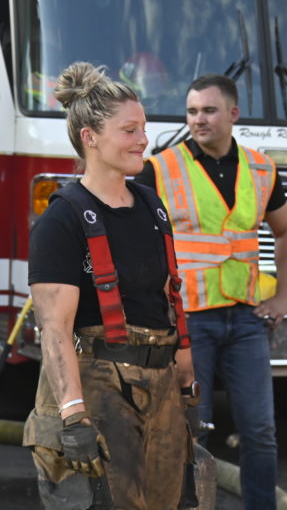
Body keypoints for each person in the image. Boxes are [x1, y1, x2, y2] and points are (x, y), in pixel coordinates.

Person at [24, 62, 195, 509]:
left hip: (160, 384)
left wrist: (185, 378)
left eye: (144, 128)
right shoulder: (62, 219)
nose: (143, 140)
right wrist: (73, 414)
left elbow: (165, 298)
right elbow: (55, 330)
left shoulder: (151, 205)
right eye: (129, 130)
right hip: (98, 386)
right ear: (90, 137)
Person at [134, 73, 287, 510]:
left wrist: (284, 295)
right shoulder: (161, 169)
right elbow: (134, 238)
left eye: (209, 110)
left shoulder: (261, 169)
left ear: (233, 113)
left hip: (246, 318)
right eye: (192, 112)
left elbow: (286, 232)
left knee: (260, 432)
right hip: (189, 320)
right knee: (190, 428)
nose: (199, 119)